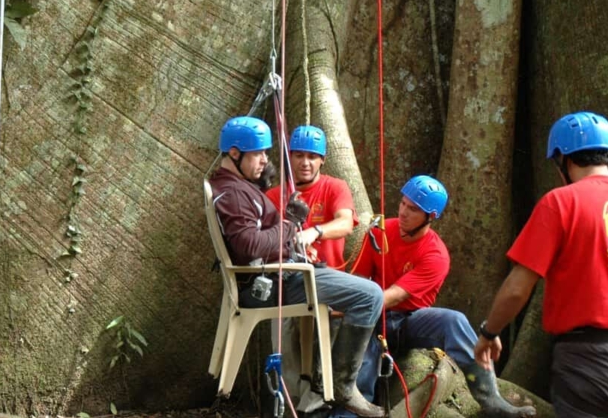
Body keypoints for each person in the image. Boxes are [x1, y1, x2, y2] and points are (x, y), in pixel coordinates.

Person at [474, 111, 608, 418]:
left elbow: (518, 289)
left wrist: (489, 333)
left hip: (589, 360)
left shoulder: (560, 203)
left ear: (562, 157)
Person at [209, 116, 385, 417]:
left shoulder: (238, 188)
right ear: (235, 154)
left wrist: (302, 235)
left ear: (323, 161)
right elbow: (250, 245)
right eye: (259, 154)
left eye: (267, 153)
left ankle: (324, 393)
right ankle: (341, 386)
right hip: (278, 281)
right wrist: (290, 227)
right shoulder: (237, 194)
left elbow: (344, 222)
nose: (265, 160)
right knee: (371, 296)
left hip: (284, 274)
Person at [351, 175, 535, 417]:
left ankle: (491, 400)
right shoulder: (379, 232)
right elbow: (359, 279)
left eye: (414, 209)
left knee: (454, 320)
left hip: (409, 320)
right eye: (403, 204)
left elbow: (395, 297)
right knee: (364, 352)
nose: (404, 212)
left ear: (431, 216)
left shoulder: (435, 255)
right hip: (372, 316)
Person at [266, 125, 358, 270]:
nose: (305, 163)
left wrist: (315, 232)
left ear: (323, 159)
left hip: (330, 277)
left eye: (312, 157)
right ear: (290, 157)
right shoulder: (274, 196)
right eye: (299, 156)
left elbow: (346, 224)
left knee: (372, 292)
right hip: (290, 276)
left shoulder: (335, 187)